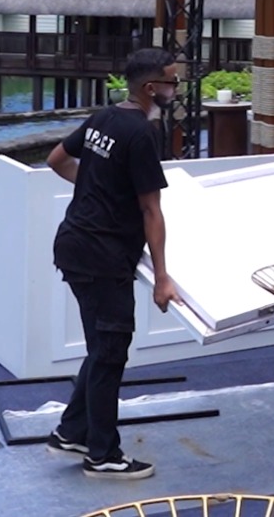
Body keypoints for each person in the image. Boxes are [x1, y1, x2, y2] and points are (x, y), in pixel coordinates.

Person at [43, 48, 181, 481]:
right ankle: (103, 456)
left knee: (101, 349)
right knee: (111, 353)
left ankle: (72, 432)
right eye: (172, 81)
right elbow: (150, 210)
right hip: (102, 257)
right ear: (150, 88)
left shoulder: (103, 118)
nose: (176, 89)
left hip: (74, 244)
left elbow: (57, 161)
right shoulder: (141, 134)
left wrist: (97, 193)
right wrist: (162, 277)